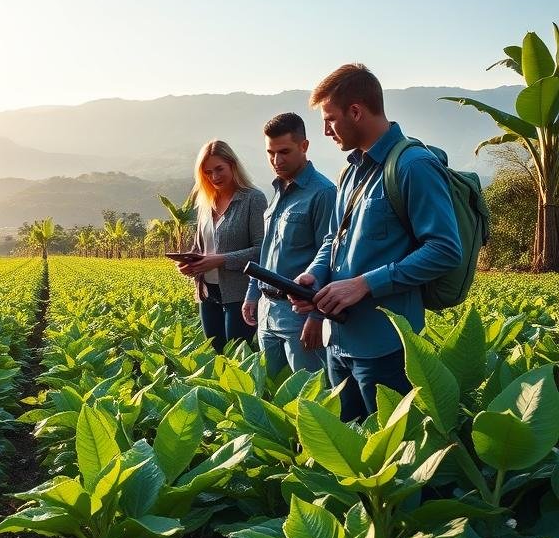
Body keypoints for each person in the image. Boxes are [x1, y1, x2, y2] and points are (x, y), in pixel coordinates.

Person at [291, 64, 462, 421]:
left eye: (330, 120)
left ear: (356, 111)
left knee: (396, 461)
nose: (325, 131)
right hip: (338, 342)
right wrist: (314, 275)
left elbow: (445, 249)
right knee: (351, 450)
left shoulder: (414, 166)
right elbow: (332, 239)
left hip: (388, 347)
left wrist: (366, 283)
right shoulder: (350, 171)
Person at [242, 113, 335, 376]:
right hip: (266, 309)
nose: (276, 160)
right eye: (270, 153)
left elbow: (330, 256)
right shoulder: (279, 189)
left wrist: (317, 317)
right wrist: (253, 294)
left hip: (299, 313)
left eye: (284, 151)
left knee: (307, 398)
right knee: (271, 391)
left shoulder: (323, 193)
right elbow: (267, 248)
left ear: (304, 147)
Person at [178, 140, 266, 351]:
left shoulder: (253, 199)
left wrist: (219, 260)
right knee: (217, 356)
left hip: (240, 294)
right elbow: (200, 247)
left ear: (233, 165)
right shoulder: (205, 202)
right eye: (208, 172)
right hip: (207, 293)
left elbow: (262, 250)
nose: (214, 177)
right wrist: (190, 262)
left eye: (219, 169)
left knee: (237, 360)